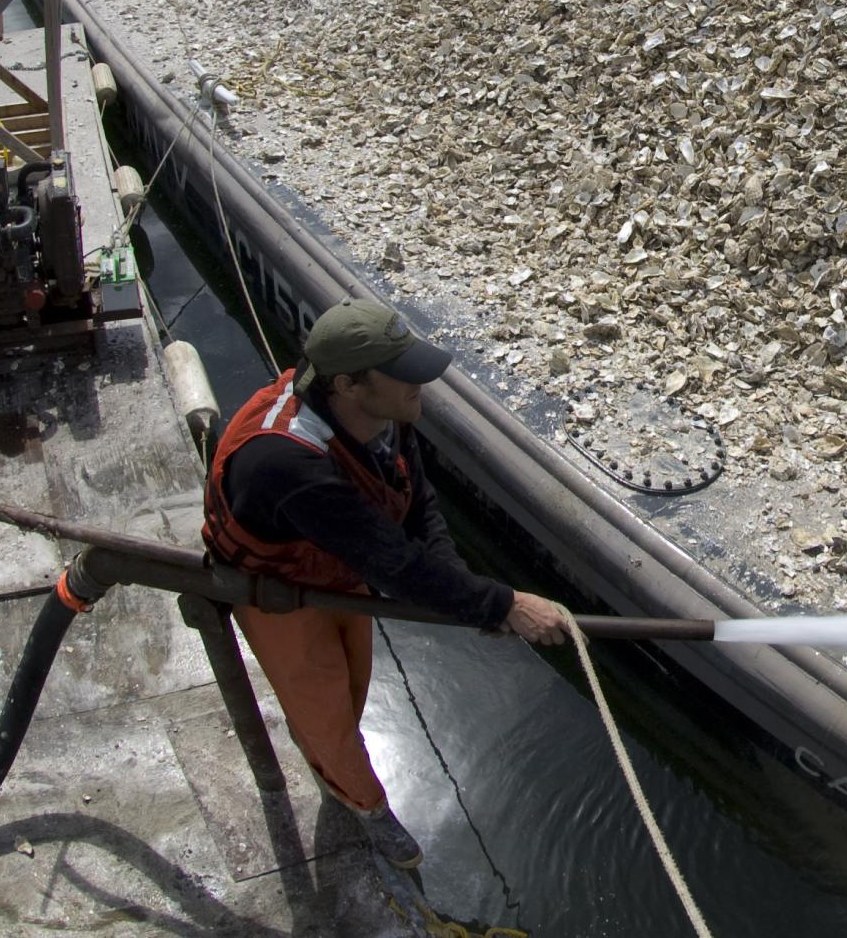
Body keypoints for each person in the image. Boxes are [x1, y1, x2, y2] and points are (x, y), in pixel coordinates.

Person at [202, 298, 571, 868]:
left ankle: (345, 771)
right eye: (403, 374)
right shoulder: (287, 461)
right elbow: (395, 566)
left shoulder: (382, 415)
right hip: (278, 589)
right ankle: (365, 804)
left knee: (353, 685)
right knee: (323, 709)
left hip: (339, 567)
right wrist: (504, 603)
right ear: (348, 384)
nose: (419, 384)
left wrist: (467, 592)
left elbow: (416, 506)